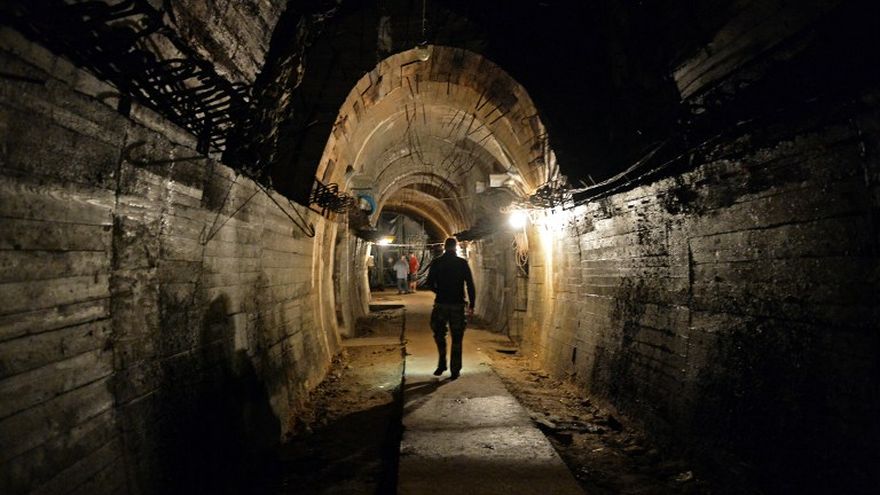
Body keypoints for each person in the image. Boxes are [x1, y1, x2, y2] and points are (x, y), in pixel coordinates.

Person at [425, 237, 475, 380]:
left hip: (441, 304)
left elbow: (429, 283)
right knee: (457, 337)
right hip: (457, 305)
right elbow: (470, 284)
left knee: (439, 334)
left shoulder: (437, 262)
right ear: (455, 247)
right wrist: (472, 304)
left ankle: (442, 363)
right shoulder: (462, 263)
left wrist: (439, 292)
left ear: (444, 247)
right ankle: (455, 369)